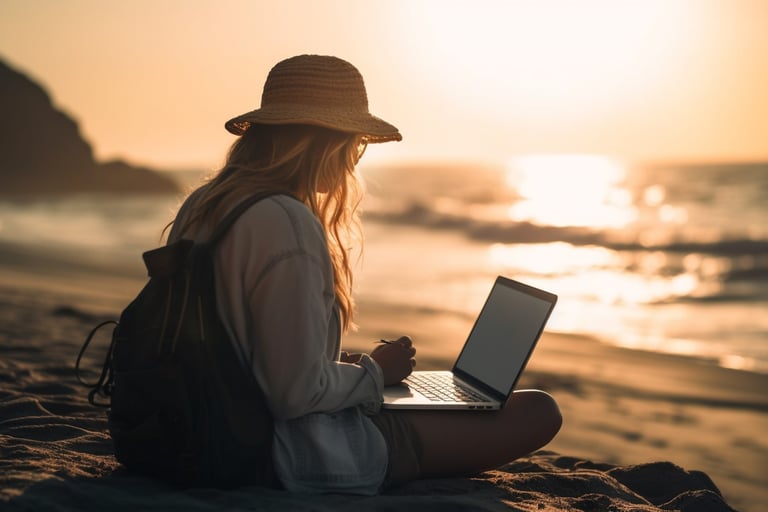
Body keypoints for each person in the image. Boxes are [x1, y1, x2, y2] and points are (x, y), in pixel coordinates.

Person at [166, 54, 561, 495]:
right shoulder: (286, 221)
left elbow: (243, 348)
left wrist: (344, 370)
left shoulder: (203, 203)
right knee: (538, 412)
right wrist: (374, 373)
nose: (355, 160)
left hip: (191, 426)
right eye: (356, 143)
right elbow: (292, 394)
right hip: (278, 451)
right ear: (329, 141)